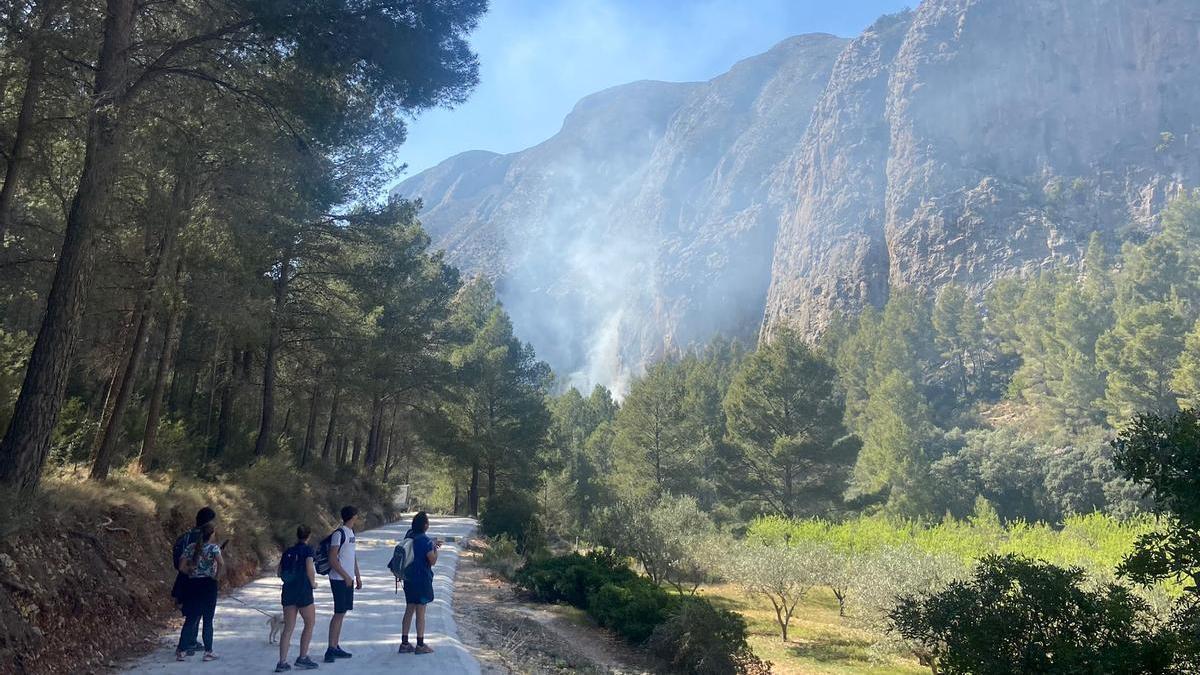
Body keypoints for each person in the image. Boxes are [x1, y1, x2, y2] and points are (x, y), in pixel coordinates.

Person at [175, 521, 223, 662]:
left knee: (191, 619)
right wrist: (216, 577)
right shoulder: (213, 548)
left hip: (193, 585)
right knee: (208, 620)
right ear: (212, 534)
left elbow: (181, 565)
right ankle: (208, 652)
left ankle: (181, 650)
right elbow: (221, 563)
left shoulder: (191, 547)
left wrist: (189, 571)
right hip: (208, 585)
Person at [171, 507, 216, 655]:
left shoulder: (185, 536)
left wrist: (186, 570)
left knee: (191, 611)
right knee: (196, 613)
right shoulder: (204, 538)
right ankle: (189, 642)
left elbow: (179, 561)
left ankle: (187, 643)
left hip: (184, 578)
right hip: (199, 580)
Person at [276, 525, 320, 672]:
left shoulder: (288, 551)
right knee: (310, 622)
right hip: (303, 591)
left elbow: (279, 572)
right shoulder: (308, 550)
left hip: (288, 592)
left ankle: (282, 662)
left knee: (288, 628)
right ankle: (302, 657)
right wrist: (313, 583)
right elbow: (310, 568)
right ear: (308, 536)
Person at [399, 511, 441, 655]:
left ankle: (404, 643)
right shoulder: (426, 541)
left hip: (408, 579)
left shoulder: (409, 535)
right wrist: (435, 548)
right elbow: (432, 560)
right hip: (422, 580)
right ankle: (420, 645)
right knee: (421, 613)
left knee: (409, 609)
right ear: (425, 525)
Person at [324, 505, 361, 664]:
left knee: (342, 612)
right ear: (353, 516)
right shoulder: (339, 534)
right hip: (339, 579)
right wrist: (346, 576)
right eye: (356, 515)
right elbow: (333, 559)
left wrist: (357, 576)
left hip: (348, 579)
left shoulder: (351, 533)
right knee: (338, 612)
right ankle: (330, 649)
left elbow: (352, 556)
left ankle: (335, 646)